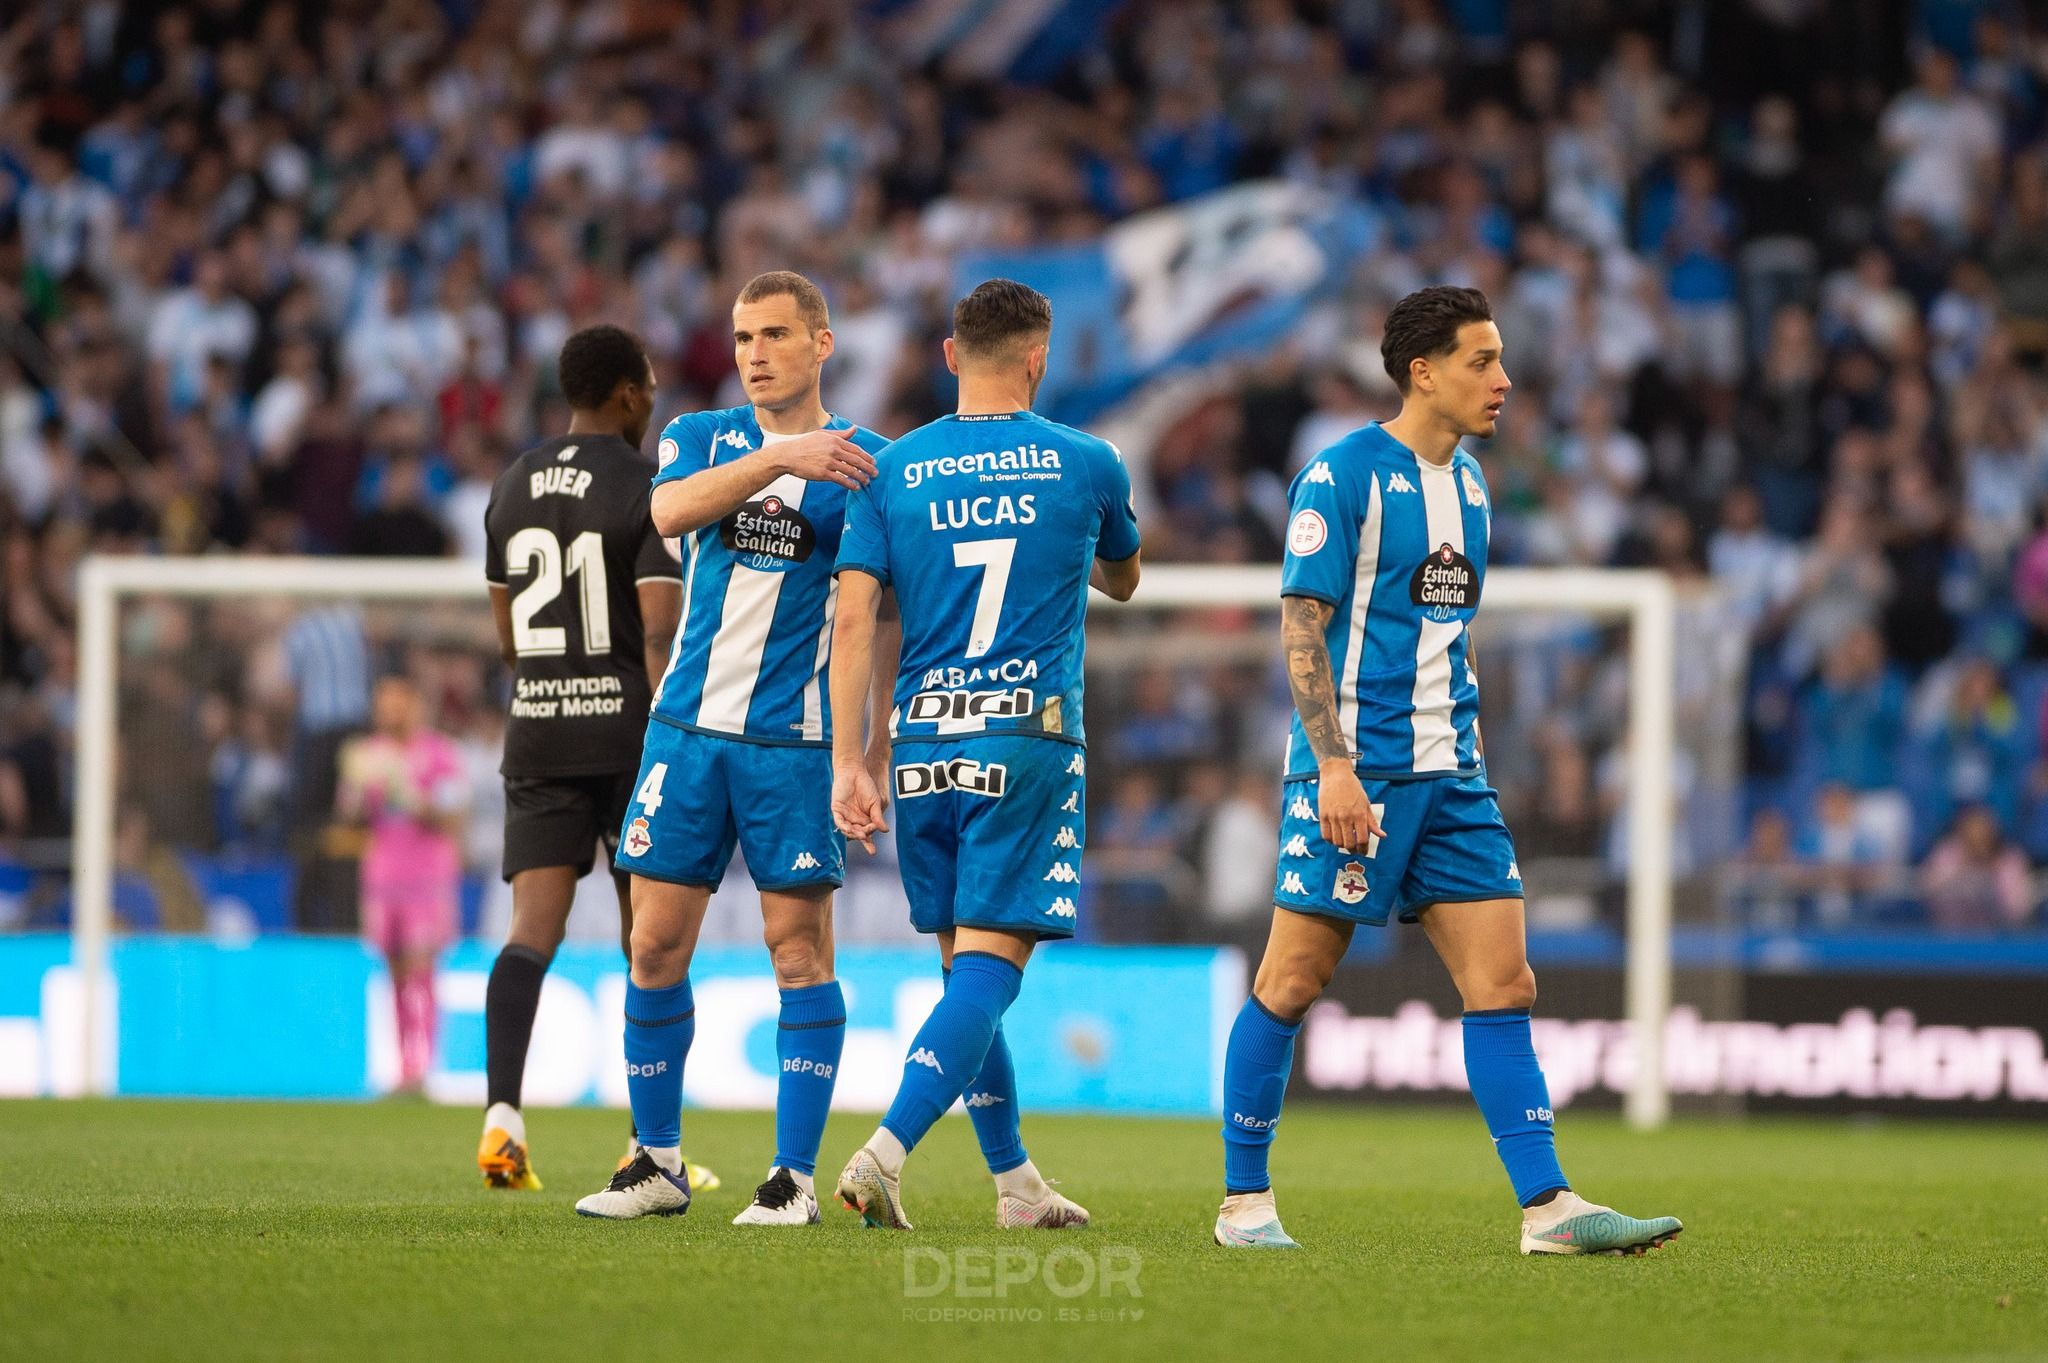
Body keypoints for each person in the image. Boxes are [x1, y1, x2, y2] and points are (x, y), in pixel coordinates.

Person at [1213, 285, 1681, 1255]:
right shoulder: (1340, 476)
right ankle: (1242, 1204)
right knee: (1293, 977)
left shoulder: (1470, 489)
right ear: (1421, 369)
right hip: (1356, 775)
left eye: (1501, 360)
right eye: (1481, 360)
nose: (1503, 381)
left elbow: (1449, 639)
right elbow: (1300, 627)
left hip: (1452, 779)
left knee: (1503, 980)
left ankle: (1546, 1208)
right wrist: (1331, 766)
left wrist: (1461, 748)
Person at [574, 273, 890, 1226]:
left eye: (776, 335)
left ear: (822, 343)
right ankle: (657, 1163)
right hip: (686, 731)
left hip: (791, 746)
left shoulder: (869, 462)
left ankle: (793, 1178)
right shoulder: (703, 436)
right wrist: (784, 455)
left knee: (798, 951)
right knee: (653, 942)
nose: (754, 352)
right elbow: (665, 515)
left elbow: (871, 621)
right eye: (744, 335)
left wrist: (863, 753)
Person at [826, 278, 1142, 1230]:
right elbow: (1124, 579)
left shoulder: (891, 469)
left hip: (921, 738)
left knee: (967, 966)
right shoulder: (1089, 462)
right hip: (1026, 736)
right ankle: (884, 1153)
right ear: (1039, 359)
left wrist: (854, 759)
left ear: (952, 355)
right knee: (991, 970)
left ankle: (1016, 1184)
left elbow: (852, 617)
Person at [476, 324, 714, 1194]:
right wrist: (667, 730)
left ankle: (502, 1117)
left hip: (538, 728)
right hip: (628, 736)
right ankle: (644, 1143)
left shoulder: (509, 484)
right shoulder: (646, 483)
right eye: (647, 387)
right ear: (622, 392)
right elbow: (658, 626)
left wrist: (548, 686)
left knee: (529, 932)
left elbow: (508, 634)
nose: (652, 401)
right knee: (644, 941)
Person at [337, 675, 469, 1095]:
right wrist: (356, 793)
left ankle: (422, 1066)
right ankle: (401, 1066)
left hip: (427, 877)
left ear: (415, 705)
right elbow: (350, 819)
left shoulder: (439, 755)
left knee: (422, 968)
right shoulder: (366, 755)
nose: (388, 711)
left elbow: (452, 816)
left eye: (396, 702)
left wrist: (411, 794)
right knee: (394, 971)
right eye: (382, 703)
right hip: (382, 877)